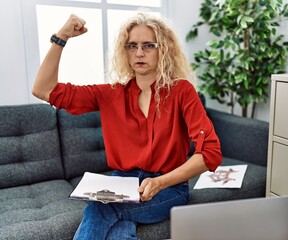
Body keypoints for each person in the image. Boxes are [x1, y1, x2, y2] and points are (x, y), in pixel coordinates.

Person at [32, 12, 222, 240]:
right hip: (122, 185)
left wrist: (160, 182)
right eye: (132, 46)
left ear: (164, 49)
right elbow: (43, 89)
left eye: (148, 45)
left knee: (101, 207)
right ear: (125, 51)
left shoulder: (182, 91)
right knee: (117, 230)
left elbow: (210, 153)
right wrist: (61, 37)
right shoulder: (111, 94)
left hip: (170, 189)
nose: (139, 53)